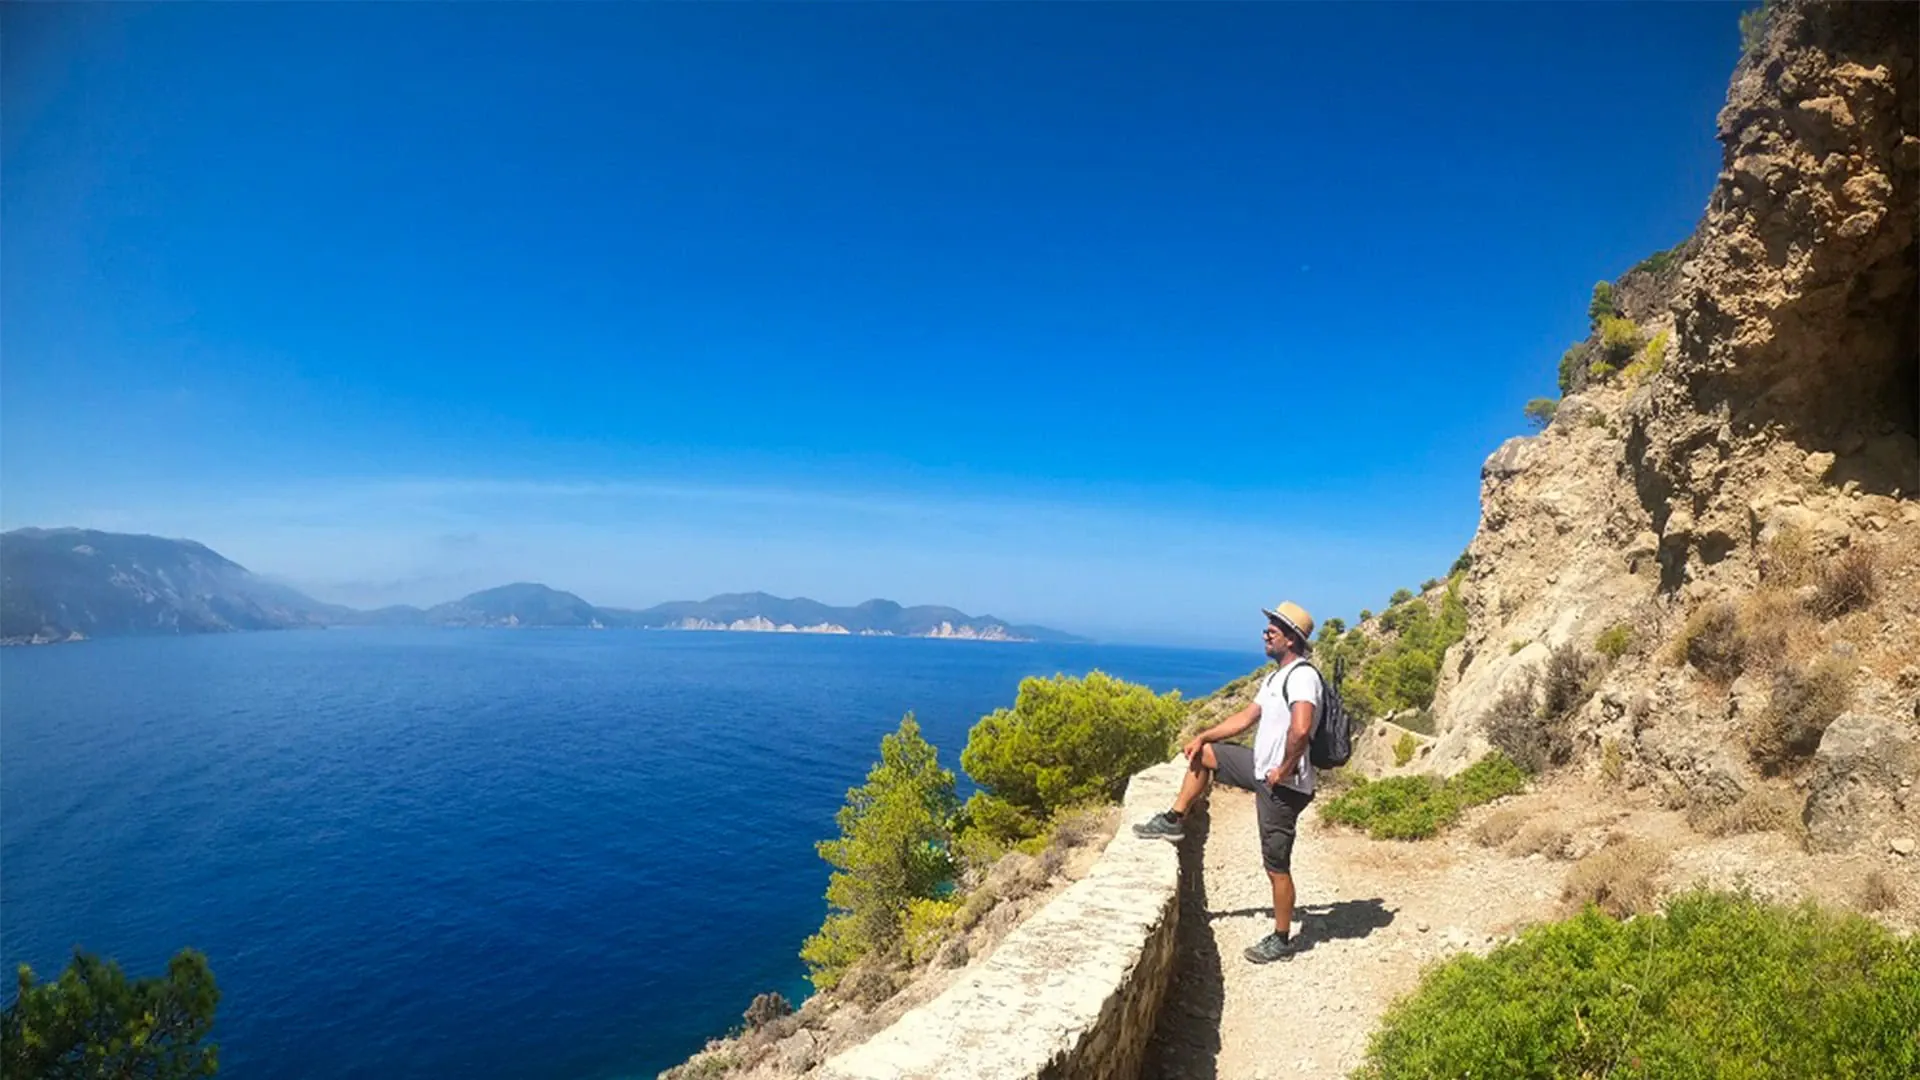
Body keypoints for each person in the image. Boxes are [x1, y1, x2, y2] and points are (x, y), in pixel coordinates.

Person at [1133, 600, 1324, 964]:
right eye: (1267, 628)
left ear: (1291, 639)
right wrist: (1203, 736)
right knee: (1206, 754)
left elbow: (1301, 730)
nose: (1265, 634)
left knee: (1276, 866)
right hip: (1261, 770)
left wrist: (1284, 770)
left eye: (1273, 629)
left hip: (1283, 787)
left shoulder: (1302, 677)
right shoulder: (1275, 677)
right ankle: (1174, 819)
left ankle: (1282, 939)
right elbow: (1245, 718)